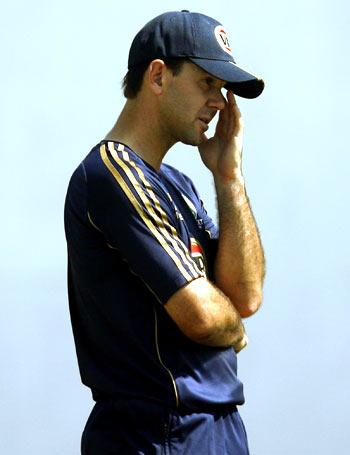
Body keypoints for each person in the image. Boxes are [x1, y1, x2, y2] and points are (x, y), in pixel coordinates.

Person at [64, 10, 265, 455]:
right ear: (158, 76)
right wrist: (231, 331)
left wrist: (229, 177)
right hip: (156, 434)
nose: (220, 101)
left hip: (216, 427)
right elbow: (205, 317)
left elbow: (244, 297)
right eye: (207, 82)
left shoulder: (179, 183)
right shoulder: (111, 174)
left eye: (222, 88)